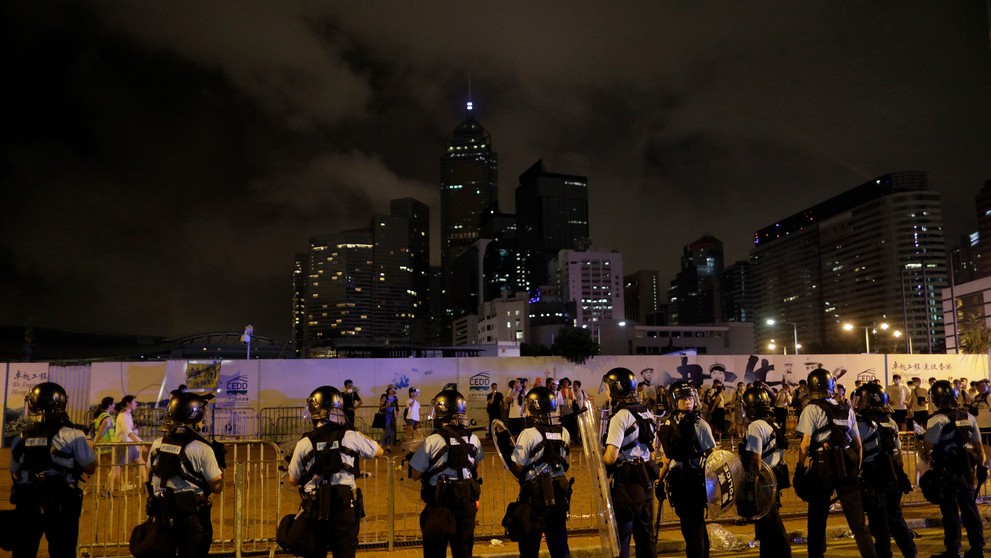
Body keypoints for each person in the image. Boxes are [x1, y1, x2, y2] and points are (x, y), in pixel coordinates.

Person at [287, 386, 382, 558]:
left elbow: (292, 479)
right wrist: (355, 431)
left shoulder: (304, 442)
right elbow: (378, 451)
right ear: (335, 410)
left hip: (315, 508)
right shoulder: (350, 436)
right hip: (343, 506)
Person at [795, 368, 877, 558]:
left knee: (817, 517)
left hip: (823, 466)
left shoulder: (810, 409)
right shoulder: (846, 408)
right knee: (858, 522)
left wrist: (800, 468)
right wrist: (856, 469)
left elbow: (805, 444)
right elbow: (858, 445)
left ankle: (817, 555)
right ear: (831, 386)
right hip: (847, 464)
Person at [10, 382, 97, 558]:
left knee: (23, 551)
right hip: (61, 503)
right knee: (63, 551)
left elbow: (14, 469)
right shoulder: (74, 435)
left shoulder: (21, 437)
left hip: (28, 503)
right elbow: (90, 467)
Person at [146, 391, 225, 558]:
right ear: (194, 416)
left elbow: (149, 478)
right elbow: (217, 486)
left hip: (163, 514)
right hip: (193, 516)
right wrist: (221, 464)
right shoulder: (202, 449)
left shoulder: (156, 445)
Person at [408, 389, 484, 558]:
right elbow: (474, 465)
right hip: (466, 503)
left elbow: (415, 474)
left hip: (439, 505)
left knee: (435, 551)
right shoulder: (473, 439)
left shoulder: (433, 440)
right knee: (464, 551)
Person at [505, 386, 573, 558]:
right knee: (560, 545)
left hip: (535, 498)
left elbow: (518, 467)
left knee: (529, 548)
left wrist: (507, 453)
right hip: (559, 494)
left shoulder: (528, 433)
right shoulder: (564, 432)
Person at [922, 380, 986, 558]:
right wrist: (981, 467)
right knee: (970, 510)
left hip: (947, 471)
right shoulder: (968, 417)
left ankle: (953, 550)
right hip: (966, 470)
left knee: (950, 512)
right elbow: (979, 447)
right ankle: (977, 548)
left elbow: (928, 447)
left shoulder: (937, 419)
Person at [853, 382, 916, 558]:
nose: (859, 403)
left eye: (862, 400)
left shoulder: (861, 424)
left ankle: (884, 554)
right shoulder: (891, 422)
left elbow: (857, 452)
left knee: (878, 522)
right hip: (894, 475)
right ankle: (910, 552)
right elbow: (898, 452)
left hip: (873, 477)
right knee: (896, 518)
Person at [602, 367, 660, 558]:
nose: (608, 393)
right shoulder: (647, 412)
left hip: (626, 483)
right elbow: (652, 449)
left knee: (622, 537)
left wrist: (600, 459)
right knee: (646, 536)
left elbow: (611, 456)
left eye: (609, 388)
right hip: (646, 479)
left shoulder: (620, 416)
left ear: (617, 389)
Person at [738, 386, 792, 558]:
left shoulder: (755, 426)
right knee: (765, 525)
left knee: (771, 523)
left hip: (763, 481)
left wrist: (751, 485)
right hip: (775, 476)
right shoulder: (772, 422)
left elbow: (755, 459)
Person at [113, 394, 145, 491]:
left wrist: (136, 429)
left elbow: (129, 431)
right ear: (128, 403)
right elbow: (129, 433)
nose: (136, 403)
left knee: (142, 463)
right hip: (123, 444)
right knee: (116, 468)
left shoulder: (128, 415)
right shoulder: (122, 416)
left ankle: (146, 485)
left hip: (129, 444)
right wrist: (140, 443)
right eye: (134, 402)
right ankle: (108, 488)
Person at [379, 385, 399, 453]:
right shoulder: (385, 397)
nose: (393, 390)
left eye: (394, 389)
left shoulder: (395, 398)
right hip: (385, 415)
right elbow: (381, 407)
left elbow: (397, 407)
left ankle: (388, 447)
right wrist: (386, 406)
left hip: (391, 415)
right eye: (392, 389)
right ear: (389, 390)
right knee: (387, 430)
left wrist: (397, 413)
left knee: (392, 431)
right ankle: (381, 444)